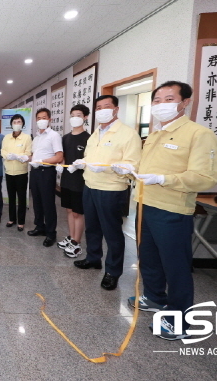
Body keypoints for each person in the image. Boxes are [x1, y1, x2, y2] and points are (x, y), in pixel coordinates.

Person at [129, 81, 217, 340]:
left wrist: (164, 179)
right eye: (156, 100)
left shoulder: (197, 134)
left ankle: (178, 319)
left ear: (185, 102)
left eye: (168, 99)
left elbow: (206, 177)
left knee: (175, 265)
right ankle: (155, 296)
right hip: (145, 204)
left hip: (172, 210)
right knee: (148, 256)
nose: (161, 105)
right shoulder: (156, 133)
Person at [71, 95, 142, 291]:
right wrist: (82, 163)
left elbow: (132, 164)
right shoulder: (96, 133)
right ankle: (93, 258)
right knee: (92, 227)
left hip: (111, 189)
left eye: (106, 106)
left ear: (116, 109)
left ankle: (112, 272)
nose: (102, 110)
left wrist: (111, 168)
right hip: (90, 186)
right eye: (98, 107)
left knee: (112, 231)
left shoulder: (128, 134)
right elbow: (89, 156)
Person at [56, 104, 90, 258]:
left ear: (85, 117)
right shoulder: (65, 138)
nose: (75, 118)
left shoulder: (88, 138)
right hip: (66, 179)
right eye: (72, 115)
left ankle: (77, 243)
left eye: (78, 115)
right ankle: (71, 237)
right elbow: (63, 156)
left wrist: (79, 165)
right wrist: (60, 164)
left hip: (79, 181)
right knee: (69, 210)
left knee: (78, 212)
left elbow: (90, 160)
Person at [27, 108, 64, 246]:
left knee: (48, 203)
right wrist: (26, 157)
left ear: (50, 120)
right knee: (36, 201)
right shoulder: (36, 137)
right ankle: (40, 227)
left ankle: (50, 233)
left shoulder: (54, 136)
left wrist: (43, 161)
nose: (41, 121)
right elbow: (35, 155)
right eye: (39, 118)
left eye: (44, 118)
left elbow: (59, 156)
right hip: (35, 172)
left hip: (46, 172)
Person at [0, 114, 32, 231]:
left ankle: (21, 221)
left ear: (22, 124)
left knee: (22, 197)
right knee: (11, 197)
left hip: (21, 172)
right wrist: (7, 155)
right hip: (9, 172)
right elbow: (3, 150)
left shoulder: (27, 138)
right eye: (14, 122)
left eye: (19, 122)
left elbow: (28, 154)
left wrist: (18, 157)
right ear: (11, 124)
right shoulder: (6, 137)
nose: (16, 124)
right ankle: (12, 219)